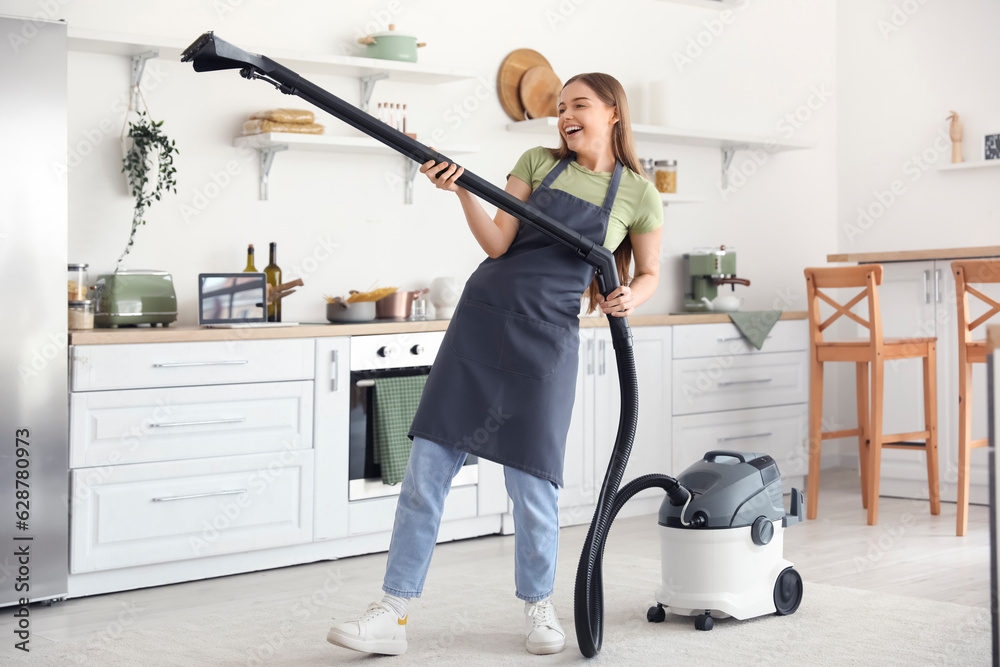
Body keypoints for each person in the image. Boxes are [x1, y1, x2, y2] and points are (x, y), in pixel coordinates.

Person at [326, 72, 663, 657]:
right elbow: (498, 245)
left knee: (534, 482)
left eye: (579, 104)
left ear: (613, 113)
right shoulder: (537, 161)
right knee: (426, 471)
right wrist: (462, 191)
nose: (565, 115)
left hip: (548, 340)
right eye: (560, 107)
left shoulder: (638, 193)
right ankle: (393, 612)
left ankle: (539, 609)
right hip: (481, 323)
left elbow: (650, 272)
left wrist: (632, 295)